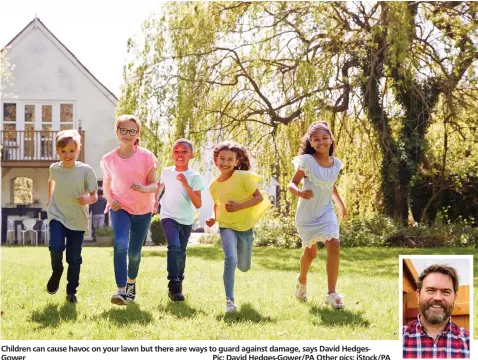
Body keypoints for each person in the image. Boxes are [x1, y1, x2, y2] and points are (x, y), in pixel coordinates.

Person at [206, 141, 270, 313]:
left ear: (236, 161)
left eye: (229, 159)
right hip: (226, 225)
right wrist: (213, 218)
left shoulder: (242, 177)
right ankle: (229, 302)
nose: (225, 163)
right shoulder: (213, 185)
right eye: (221, 158)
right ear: (216, 159)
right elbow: (217, 206)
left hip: (245, 227)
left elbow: (259, 198)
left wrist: (239, 207)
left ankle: (247, 248)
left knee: (243, 266)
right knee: (231, 259)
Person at [287, 121, 347, 308]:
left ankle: (331, 293)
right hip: (307, 214)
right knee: (310, 253)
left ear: (331, 139)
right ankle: (302, 280)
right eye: (316, 139)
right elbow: (291, 184)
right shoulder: (307, 161)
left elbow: (330, 185)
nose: (321, 142)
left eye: (324, 138)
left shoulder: (336, 164)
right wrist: (300, 193)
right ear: (311, 143)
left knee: (334, 244)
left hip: (326, 211)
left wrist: (341, 206)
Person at [101, 114, 158, 305]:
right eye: (123, 130)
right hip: (120, 206)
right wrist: (111, 199)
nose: (127, 134)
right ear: (117, 132)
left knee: (134, 252)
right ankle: (121, 289)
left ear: (137, 133)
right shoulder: (108, 159)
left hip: (142, 208)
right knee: (120, 244)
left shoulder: (146, 156)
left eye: (131, 131)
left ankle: (131, 282)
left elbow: (154, 185)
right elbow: (106, 186)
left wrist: (144, 189)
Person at [46, 129, 98, 303]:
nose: (67, 155)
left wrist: (87, 199)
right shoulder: (54, 168)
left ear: (78, 150)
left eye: (71, 151)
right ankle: (57, 270)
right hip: (57, 214)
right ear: (57, 152)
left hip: (77, 219)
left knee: (74, 258)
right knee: (55, 246)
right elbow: (51, 181)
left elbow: (95, 195)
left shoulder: (85, 170)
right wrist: (49, 199)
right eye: (63, 151)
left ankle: (71, 291)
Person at [154, 139, 204, 301]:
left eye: (184, 151)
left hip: (187, 219)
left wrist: (185, 184)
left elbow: (198, 203)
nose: (180, 154)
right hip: (168, 215)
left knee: (181, 252)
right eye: (176, 151)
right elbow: (160, 187)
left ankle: (179, 280)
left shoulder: (194, 176)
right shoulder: (166, 172)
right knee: (174, 246)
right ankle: (174, 285)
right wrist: (155, 201)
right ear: (172, 154)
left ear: (191, 155)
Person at [403, 264, 470, 358]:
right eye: (430, 290)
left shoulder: (469, 342)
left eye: (446, 292)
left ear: (455, 297)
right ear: (418, 295)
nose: (438, 298)